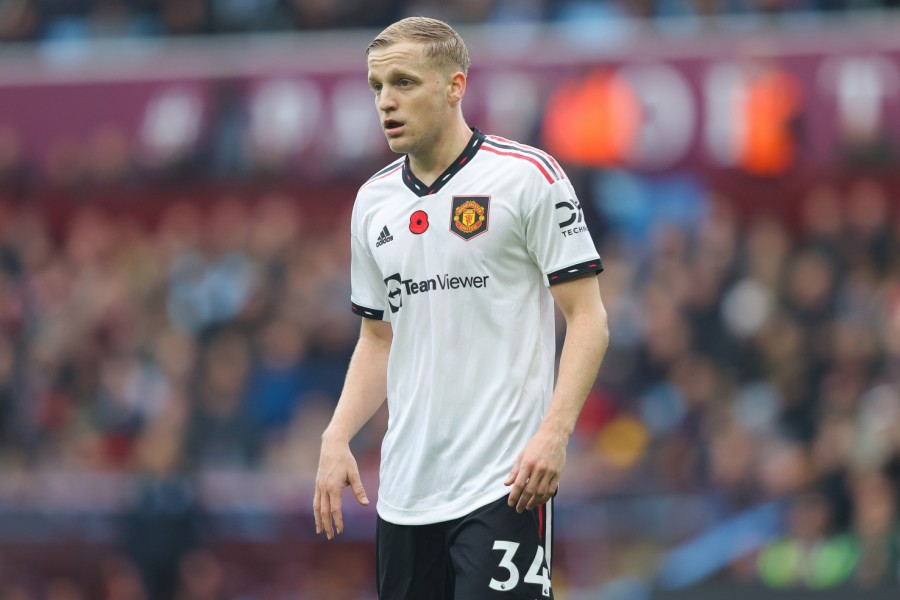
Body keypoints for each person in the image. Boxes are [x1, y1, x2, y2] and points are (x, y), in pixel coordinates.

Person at [313, 16, 609, 599]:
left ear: (454, 87)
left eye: (403, 82)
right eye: (376, 87)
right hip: (406, 492)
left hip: (505, 484)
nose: (386, 102)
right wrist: (337, 435)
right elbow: (378, 339)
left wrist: (555, 433)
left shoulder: (527, 178)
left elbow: (588, 318)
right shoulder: (373, 203)